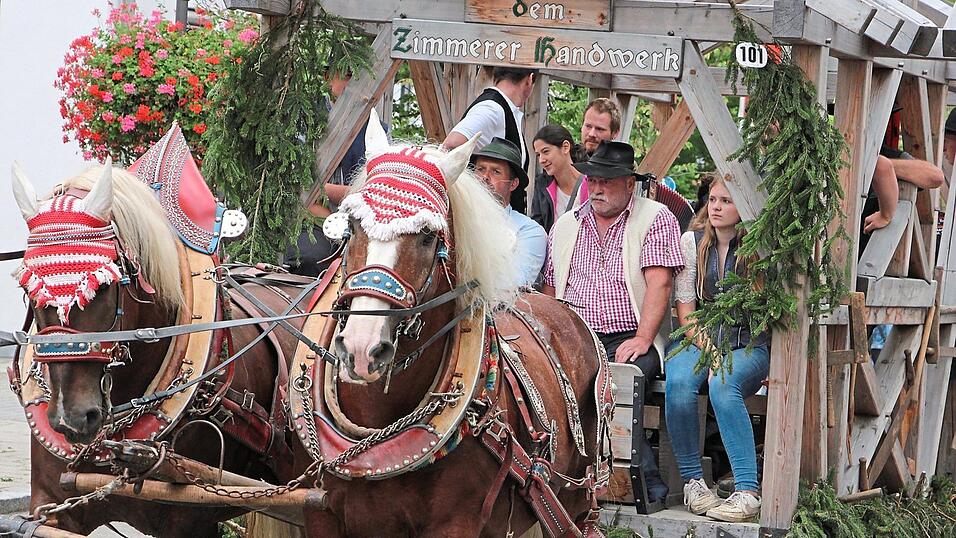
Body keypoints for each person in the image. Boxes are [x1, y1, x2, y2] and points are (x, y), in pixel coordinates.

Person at [542, 140, 684, 503]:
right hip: (575, 336)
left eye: (608, 180)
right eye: (593, 179)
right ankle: (565, 481)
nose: (598, 187)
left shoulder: (654, 217)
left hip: (630, 334)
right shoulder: (565, 226)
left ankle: (644, 487)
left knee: (619, 381)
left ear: (629, 183)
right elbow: (550, 289)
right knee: (544, 384)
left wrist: (642, 337)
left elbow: (660, 283)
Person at [665, 176, 769, 523]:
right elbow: (686, 312)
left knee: (723, 384)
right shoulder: (691, 243)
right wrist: (711, 352)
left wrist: (723, 360)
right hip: (700, 337)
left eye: (727, 200)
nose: (717, 207)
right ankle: (694, 483)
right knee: (678, 383)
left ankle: (747, 491)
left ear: (745, 207)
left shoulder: (760, 246)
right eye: (713, 200)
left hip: (747, 341)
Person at [286, 69, 381, 276]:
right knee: (308, 259)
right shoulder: (304, 120)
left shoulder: (377, 127)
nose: (352, 83)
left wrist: (324, 190)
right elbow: (298, 185)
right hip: (313, 220)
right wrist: (349, 195)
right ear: (328, 76)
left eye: (357, 76)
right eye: (345, 75)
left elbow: (378, 187)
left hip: (361, 223)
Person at [444, 67, 536, 213]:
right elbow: (450, 145)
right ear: (529, 80)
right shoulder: (492, 108)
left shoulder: (503, 109)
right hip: (484, 217)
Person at [470, 137, 547, 287]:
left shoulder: (529, 231)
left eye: (496, 172)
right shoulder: (453, 220)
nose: (485, 177)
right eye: (480, 169)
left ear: (513, 184)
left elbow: (513, 286)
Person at [530, 124, 589, 232]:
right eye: (538, 155)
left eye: (546, 151)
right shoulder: (542, 185)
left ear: (565, 147)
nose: (541, 160)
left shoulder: (591, 184)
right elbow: (537, 227)